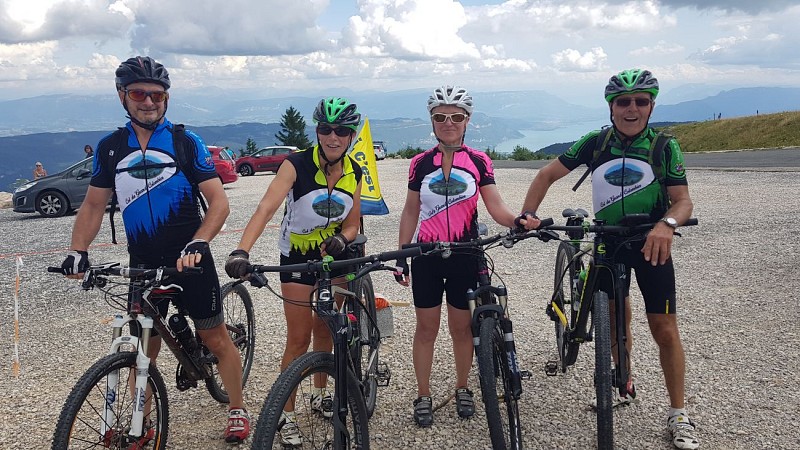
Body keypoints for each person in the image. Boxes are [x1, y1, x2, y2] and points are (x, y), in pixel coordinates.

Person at [58, 56, 249, 444]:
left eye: (157, 94)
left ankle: (237, 407)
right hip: (142, 261)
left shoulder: (183, 141)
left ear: (167, 97)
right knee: (145, 344)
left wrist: (201, 240)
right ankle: (139, 420)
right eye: (139, 93)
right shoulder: (111, 148)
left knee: (214, 338)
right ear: (122, 96)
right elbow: (94, 204)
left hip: (190, 257)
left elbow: (218, 202)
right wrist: (78, 250)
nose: (149, 101)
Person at [518, 69, 699, 450]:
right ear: (611, 107)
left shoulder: (664, 146)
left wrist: (666, 223)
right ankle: (623, 378)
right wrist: (527, 214)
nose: (631, 109)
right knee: (616, 317)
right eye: (623, 102)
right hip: (606, 241)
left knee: (664, 328)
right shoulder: (596, 143)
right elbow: (547, 174)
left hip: (651, 242)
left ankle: (678, 413)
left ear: (651, 105)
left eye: (640, 101)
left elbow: (682, 201)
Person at [224, 97, 363, 446]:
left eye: (341, 131)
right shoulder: (295, 164)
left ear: (351, 135)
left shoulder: (355, 172)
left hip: (334, 261)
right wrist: (243, 249)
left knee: (325, 330)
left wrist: (343, 241)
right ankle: (285, 413)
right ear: (317, 131)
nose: (333, 137)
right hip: (298, 259)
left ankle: (318, 394)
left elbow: (352, 223)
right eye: (325, 129)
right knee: (299, 338)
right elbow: (266, 207)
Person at [395, 85, 519, 427]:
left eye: (456, 117)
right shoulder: (420, 163)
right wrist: (402, 255)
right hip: (427, 256)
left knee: (462, 330)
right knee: (425, 329)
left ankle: (463, 387)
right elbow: (410, 211)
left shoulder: (478, 161)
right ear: (432, 121)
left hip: (467, 253)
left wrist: (519, 220)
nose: (448, 123)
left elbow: (496, 207)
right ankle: (423, 394)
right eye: (440, 117)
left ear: (467, 121)